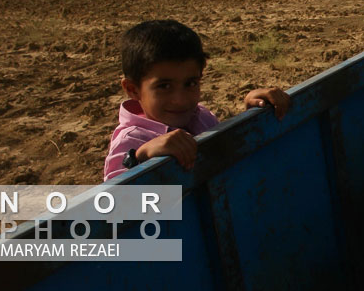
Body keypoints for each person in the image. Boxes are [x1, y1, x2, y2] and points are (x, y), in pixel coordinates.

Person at [104, 19, 291, 181]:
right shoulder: (130, 141)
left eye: (190, 83)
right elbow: (114, 211)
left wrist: (252, 113)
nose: (181, 100)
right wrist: (141, 159)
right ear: (132, 89)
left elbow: (225, 157)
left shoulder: (201, 117)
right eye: (164, 86)